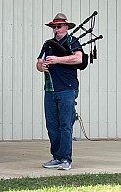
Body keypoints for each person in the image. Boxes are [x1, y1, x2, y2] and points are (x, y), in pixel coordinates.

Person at [36, 13, 84, 170]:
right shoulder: (48, 44)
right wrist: (40, 66)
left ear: (66, 27)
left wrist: (58, 60)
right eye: (54, 27)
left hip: (66, 88)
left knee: (65, 124)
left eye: (59, 26)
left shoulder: (72, 41)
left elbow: (78, 59)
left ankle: (65, 159)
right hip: (50, 89)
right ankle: (56, 156)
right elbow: (39, 61)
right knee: (52, 125)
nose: (56, 29)